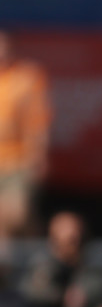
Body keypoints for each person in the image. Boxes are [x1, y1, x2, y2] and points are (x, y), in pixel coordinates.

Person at [0, 30, 52, 238]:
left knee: (16, 215)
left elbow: (37, 122)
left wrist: (37, 158)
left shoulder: (26, 77)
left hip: (17, 161)